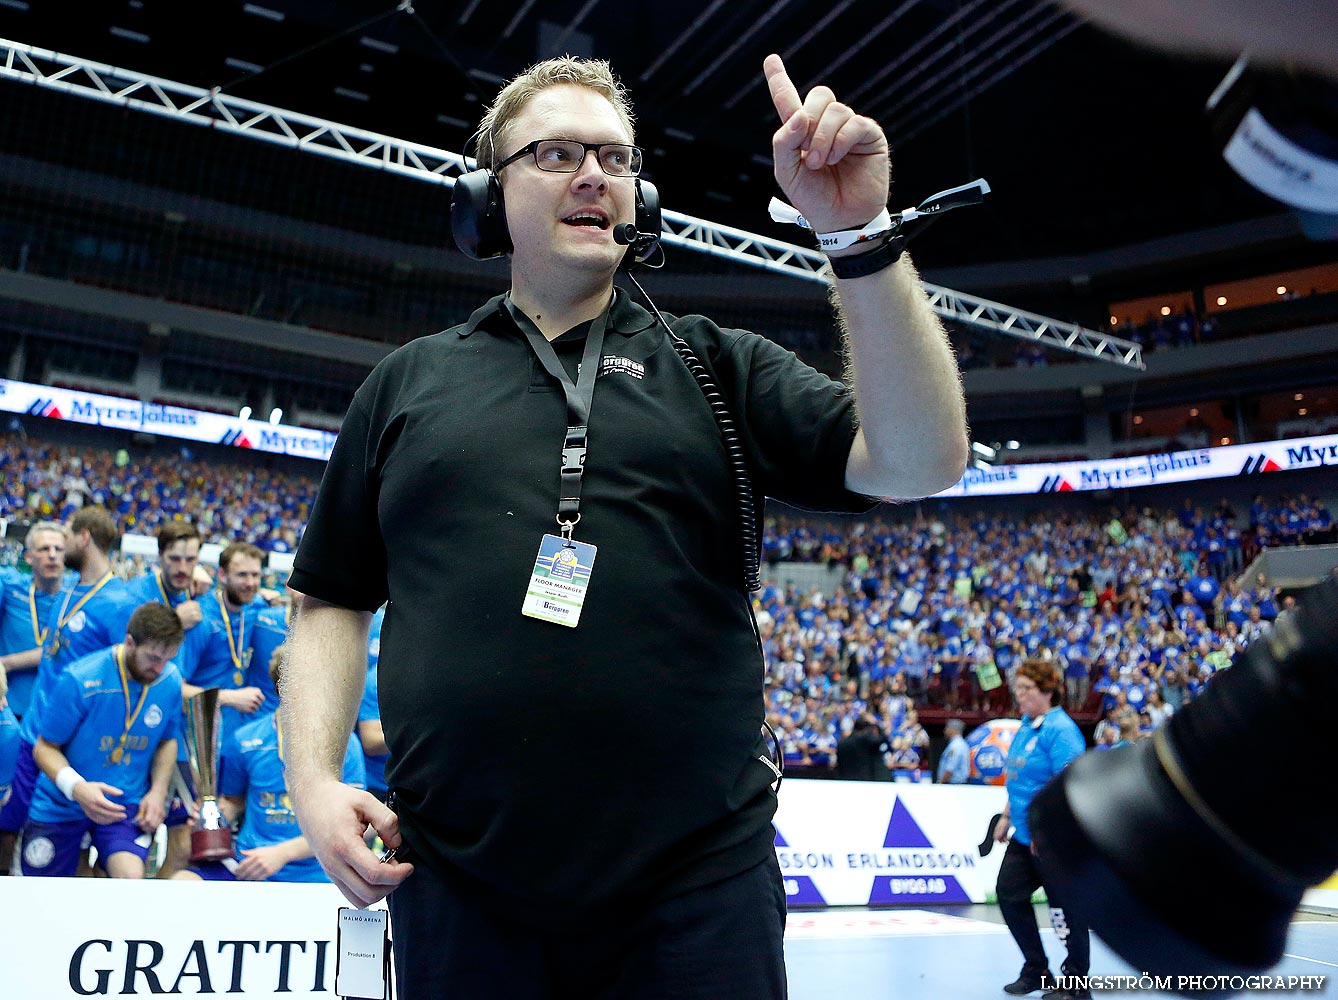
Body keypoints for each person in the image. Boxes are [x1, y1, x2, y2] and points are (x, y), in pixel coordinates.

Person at [282, 52, 967, 998]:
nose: (594, 175)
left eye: (613, 156)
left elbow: (921, 460)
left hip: (694, 891)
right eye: (556, 152)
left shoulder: (720, 366)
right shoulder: (406, 384)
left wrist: (858, 235)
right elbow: (329, 602)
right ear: (487, 195)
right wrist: (312, 781)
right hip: (456, 883)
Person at [0, 507, 136, 868]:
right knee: (7, 825)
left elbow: (122, 680)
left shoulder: (120, 603)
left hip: (68, 747)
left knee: (59, 845)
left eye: (66, 538)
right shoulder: (69, 589)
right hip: (33, 733)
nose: (60, 549)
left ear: (84, 537)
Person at [174, 647, 365, 883]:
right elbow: (235, 802)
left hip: (317, 870)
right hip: (248, 863)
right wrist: (214, 815)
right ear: (281, 689)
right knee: (183, 882)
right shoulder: (246, 739)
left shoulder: (344, 743)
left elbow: (356, 824)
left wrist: (282, 854)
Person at [20, 602, 183, 878]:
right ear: (129, 642)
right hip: (63, 801)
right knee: (48, 896)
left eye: (168, 659)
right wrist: (78, 788)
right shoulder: (80, 679)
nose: (159, 668)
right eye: (153, 658)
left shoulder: (169, 680)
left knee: (129, 879)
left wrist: (157, 791)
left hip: (122, 800)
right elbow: (44, 748)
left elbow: (168, 741)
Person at [993, 658, 1090, 999]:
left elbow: (1070, 786)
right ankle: (1036, 968)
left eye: (1027, 689)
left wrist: (1048, 832)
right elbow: (1019, 778)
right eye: (1017, 688)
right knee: (1009, 893)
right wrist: (1006, 816)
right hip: (1023, 833)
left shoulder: (1060, 730)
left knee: (1064, 909)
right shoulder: (1025, 724)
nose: (1019, 695)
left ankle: (1077, 983)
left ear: (1048, 691)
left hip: (1052, 837)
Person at [0, 521, 67, 720]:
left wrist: (6, 663)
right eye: (44, 549)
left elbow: (64, 648)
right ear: (29, 557)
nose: (52, 555)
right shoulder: (11, 585)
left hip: (54, 712)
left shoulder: (78, 596)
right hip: (8, 709)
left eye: (58, 549)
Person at [835, 713, 892, 781]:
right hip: (865, 781)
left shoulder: (842, 743)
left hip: (846, 781)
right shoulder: (867, 741)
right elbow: (883, 739)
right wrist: (877, 725)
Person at [936, 717, 969, 784]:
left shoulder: (956, 745)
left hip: (954, 785)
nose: (945, 731)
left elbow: (950, 768)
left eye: (947, 728)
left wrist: (941, 782)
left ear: (953, 729)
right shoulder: (961, 743)